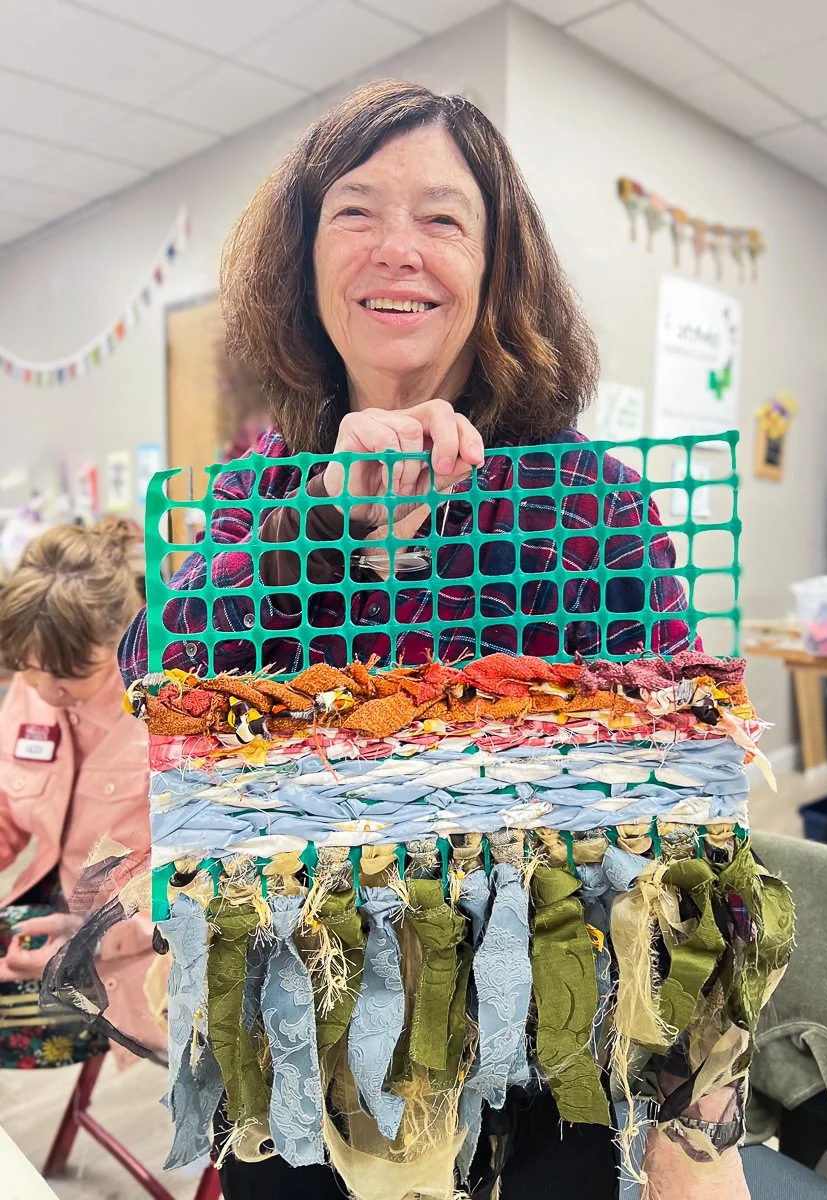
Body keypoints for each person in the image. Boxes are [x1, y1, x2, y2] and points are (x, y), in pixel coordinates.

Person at [119, 81, 747, 1199]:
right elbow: (152, 680)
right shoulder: (258, 488)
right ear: (305, 260)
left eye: (444, 219)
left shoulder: (588, 502)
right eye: (355, 211)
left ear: (497, 268)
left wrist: (697, 1111)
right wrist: (321, 521)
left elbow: (678, 796)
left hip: (552, 1045)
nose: (396, 250)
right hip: (297, 1037)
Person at [0, 519, 165, 1067]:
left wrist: (86, 944)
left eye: (71, 674)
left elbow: (192, 877)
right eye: (29, 669)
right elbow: (8, 810)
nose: (47, 691)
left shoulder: (164, 705)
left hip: (135, 948)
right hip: (51, 910)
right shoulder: (35, 694)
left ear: (122, 636)